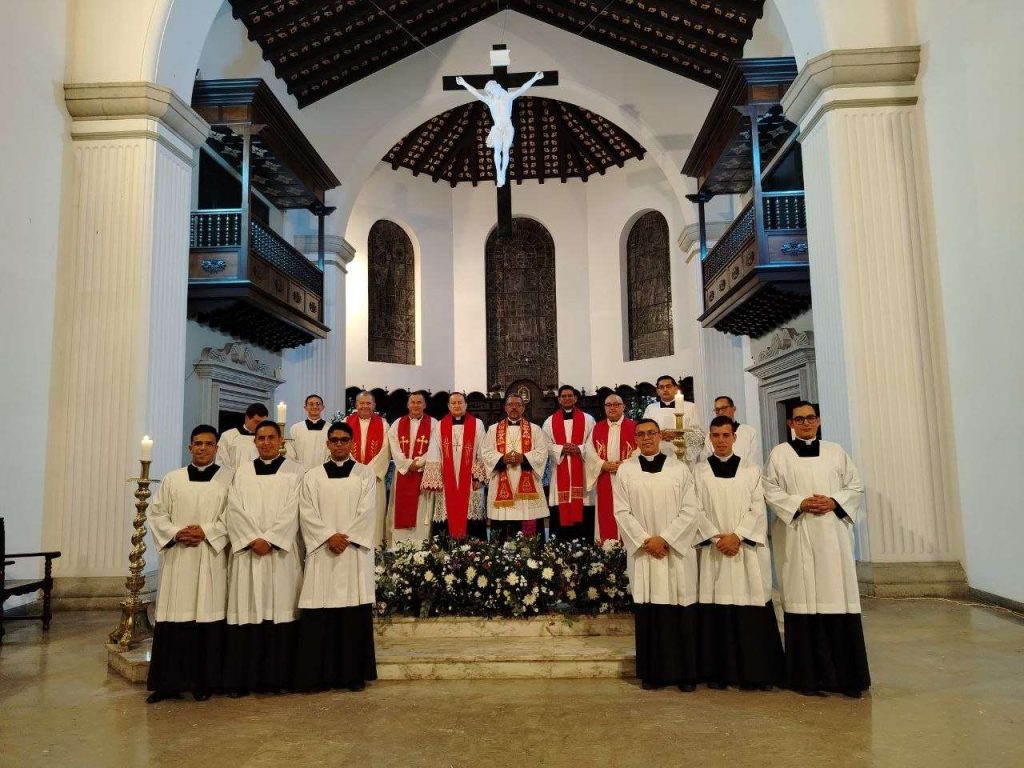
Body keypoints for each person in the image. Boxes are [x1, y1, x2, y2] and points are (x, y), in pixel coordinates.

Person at [763, 401, 870, 698]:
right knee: (801, 598)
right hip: (797, 535)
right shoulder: (779, 455)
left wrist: (834, 501)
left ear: (819, 421)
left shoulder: (836, 452)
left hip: (832, 538)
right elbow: (769, 489)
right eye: (799, 419)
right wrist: (799, 503)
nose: (806, 423)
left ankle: (846, 678)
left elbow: (856, 487)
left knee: (837, 597)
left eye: (810, 418)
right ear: (790, 425)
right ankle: (806, 677)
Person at [694, 416, 783, 690]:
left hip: (744, 550)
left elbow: (759, 508)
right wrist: (714, 536)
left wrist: (738, 536)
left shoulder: (752, 470)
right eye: (715, 435)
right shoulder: (698, 472)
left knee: (750, 604)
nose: (720, 440)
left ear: (734, 437)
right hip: (715, 551)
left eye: (725, 435)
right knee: (716, 607)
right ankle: (718, 673)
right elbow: (693, 508)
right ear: (710, 438)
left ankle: (756, 673)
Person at [613, 418, 702, 691]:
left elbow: (691, 510)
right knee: (649, 612)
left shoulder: (680, 469)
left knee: (680, 612)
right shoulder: (626, 471)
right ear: (635, 439)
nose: (647, 438)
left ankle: (686, 674)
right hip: (645, 554)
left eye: (652, 433)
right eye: (641, 434)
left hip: (674, 552)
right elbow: (621, 512)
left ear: (660, 437)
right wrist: (645, 540)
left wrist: (665, 539)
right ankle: (652, 672)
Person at [146, 425, 232, 703]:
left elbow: (235, 515)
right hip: (178, 558)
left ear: (217, 448)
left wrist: (206, 531)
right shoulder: (173, 479)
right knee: (174, 617)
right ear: (190, 448)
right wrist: (175, 532)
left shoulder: (229, 479)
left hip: (210, 557)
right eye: (198, 443)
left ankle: (203, 682)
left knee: (206, 616)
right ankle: (167, 683)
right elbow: (157, 513)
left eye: (209, 443)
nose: (203, 448)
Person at [293, 422, 378, 692]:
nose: (339, 444)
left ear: (352, 443)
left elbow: (368, 511)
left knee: (352, 615)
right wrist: (328, 535)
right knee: (321, 613)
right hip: (324, 552)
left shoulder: (365, 474)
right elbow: (306, 511)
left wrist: (346, 537)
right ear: (327, 444)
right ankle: (319, 675)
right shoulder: (313, 476)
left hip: (352, 553)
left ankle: (353, 675)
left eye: (344, 440)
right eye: (334, 440)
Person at [223, 421, 304, 697]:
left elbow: (294, 509)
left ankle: (278, 679)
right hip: (248, 554)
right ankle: (243, 679)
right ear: (254, 442)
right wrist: (251, 538)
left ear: (281, 440)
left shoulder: (296, 472)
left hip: (279, 554)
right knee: (248, 612)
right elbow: (233, 508)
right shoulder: (242, 472)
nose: (266, 442)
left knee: (279, 612)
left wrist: (270, 539)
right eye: (261, 438)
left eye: (271, 437)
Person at [454, 71, 544, 186]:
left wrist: (535, 78)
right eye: (488, 91)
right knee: (497, 149)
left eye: (490, 90)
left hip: (508, 128)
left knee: (505, 151)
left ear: (496, 87)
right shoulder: (490, 101)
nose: (489, 92)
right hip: (497, 128)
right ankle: (499, 174)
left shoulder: (508, 96)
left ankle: (503, 174)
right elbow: (476, 93)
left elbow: (523, 89)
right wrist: (464, 83)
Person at [481, 393, 549, 540]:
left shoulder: (535, 429)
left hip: (527, 482)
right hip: (501, 479)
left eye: (517, 405)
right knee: (502, 527)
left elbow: (542, 452)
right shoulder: (493, 429)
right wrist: (502, 459)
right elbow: (485, 452)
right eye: (510, 404)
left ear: (523, 408)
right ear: (505, 408)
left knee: (528, 518)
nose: (514, 407)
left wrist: (524, 458)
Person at [426, 392, 488, 541]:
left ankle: (474, 552)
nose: (457, 405)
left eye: (460, 402)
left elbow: (483, 451)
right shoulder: (440, 425)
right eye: (453, 403)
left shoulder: (477, 424)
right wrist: (437, 480)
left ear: (466, 405)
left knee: (472, 515)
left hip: (471, 481)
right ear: (448, 406)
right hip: (447, 482)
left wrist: (478, 476)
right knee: (446, 513)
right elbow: (434, 452)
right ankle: (447, 553)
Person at [542, 385, 596, 541]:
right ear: (559, 399)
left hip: (583, 473)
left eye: (570, 395)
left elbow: (593, 442)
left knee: (584, 517)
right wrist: (562, 449)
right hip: (559, 474)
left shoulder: (588, 419)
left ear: (575, 398)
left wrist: (579, 448)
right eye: (563, 396)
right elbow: (545, 445)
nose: (567, 398)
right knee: (560, 521)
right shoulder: (549, 422)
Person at [584, 394, 636, 542]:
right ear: (604, 408)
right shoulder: (597, 428)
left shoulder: (634, 426)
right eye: (609, 405)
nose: (612, 407)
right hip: (604, 478)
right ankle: (607, 552)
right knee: (606, 514)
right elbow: (589, 452)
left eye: (616, 404)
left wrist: (624, 464)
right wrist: (602, 464)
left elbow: (640, 451)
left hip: (627, 479)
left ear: (623, 406)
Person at [386, 391, 435, 546]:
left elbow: (435, 446)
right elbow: (394, 447)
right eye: (412, 402)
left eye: (419, 402)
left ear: (425, 405)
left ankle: (421, 546)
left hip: (424, 474)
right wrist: (408, 464)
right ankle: (400, 546)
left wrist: (419, 463)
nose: (415, 405)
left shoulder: (434, 424)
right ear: (407, 405)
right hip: (403, 474)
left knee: (422, 512)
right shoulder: (396, 424)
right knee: (399, 509)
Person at [345, 391, 391, 547]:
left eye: (368, 403)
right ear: (356, 405)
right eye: (361, 403)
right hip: (352, 477)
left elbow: (386, 449)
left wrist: (369, 471)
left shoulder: (383, 424)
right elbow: (344, 447)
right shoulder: (346, 422)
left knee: (375, 514)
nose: (365, 406)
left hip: (374, 479)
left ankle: (376, 547)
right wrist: (357, 469)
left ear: (374, 405)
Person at [642, 375, 703, 461]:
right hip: (658, 453)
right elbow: (642, 431)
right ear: (657, 391)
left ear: (675, 388)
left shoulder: (690, 407)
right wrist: (658, 435)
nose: (665, 389)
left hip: (682, 452)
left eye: (668, 386)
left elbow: (698, 433)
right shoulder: (650, 408)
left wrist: (678, 435)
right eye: (661, 387)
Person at [701, 396, 761, 464]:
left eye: (724, 408)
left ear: (734, 409)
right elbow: (706, 462)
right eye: (717, 410)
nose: (720, 412)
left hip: (744, 473)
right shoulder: (711, 435)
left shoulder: (749, 432)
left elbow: (753, 461)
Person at [216, 402, 268, 471]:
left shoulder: (267, 439)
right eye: (257, 422)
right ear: (247, 418)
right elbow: (221, 462)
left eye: (263, 423)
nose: (260, 426)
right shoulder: (229, 436)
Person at [288, 393, 329, 471]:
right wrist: (298, 469)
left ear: (323, 407)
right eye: (311, 404)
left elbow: (332, 452)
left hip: (323, 473)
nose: (315, 407)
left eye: (318, 404)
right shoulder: (295, 428)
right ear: (305, 407)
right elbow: (290, 452)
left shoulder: (330, 429)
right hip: (301, 473)